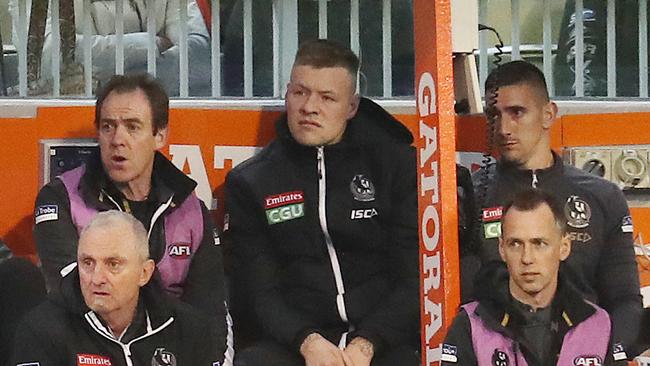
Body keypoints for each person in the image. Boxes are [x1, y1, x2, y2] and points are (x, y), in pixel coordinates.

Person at [224, 39, 419, 365]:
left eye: (327, 98)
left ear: (352, 106)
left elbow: (414, 277)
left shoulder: (396, 166)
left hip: (382, 340)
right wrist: (307, 342)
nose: (309, 107)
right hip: (298, 342)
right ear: (287, 94)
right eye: (300, 92)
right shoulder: (251, 182)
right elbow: (259, 291)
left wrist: (367, 344)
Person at [33, 73, 229, 333]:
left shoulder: (189, 208)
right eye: (108, 126)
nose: (117, 140)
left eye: (132, 126)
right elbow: (70, 291)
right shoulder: (61, 198)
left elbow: (210, 310)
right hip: (87, 345)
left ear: (159, 135)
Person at [472, 60, 642, 353]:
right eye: (493, 116)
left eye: (517, 112)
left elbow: (625, 299)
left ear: (548, 114)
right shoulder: (469, 196)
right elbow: (462, 300)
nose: (503, 128)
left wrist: (607, 356)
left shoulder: (603, 197)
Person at [12, 211, 227, 365]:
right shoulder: (42, 330)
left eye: (113, 264)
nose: (97, 278)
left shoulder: (188, 329)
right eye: (87, 263)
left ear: (144, 272)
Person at [444, 189, 629, 365]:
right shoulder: (470, 325)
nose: (527, 258)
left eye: (539, 243)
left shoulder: (599, 325)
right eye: (515, 244)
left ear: (564, 247)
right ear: (502, 249)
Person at [31, 0, 212, 96]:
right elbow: (46, 54)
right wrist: (151, 45)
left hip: (154, 116)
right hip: (65, 114)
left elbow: (198, 56)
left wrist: (96, 77)